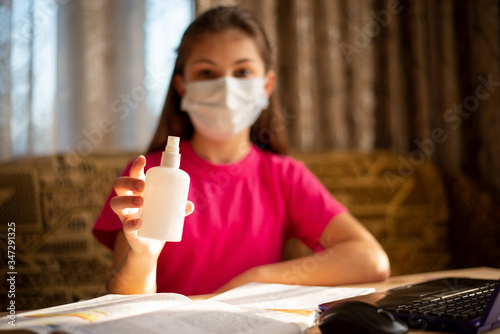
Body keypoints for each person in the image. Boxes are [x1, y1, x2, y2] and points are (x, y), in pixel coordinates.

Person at [93, 6, 390, 296]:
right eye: (207, 72)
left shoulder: (284, 176)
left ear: (267, 84)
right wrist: (143, 257)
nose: (226, 87)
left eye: (243, 71)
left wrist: (255, 279)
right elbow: (125, 300)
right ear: (182, 86)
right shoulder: (146, 176)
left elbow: (370, 259)